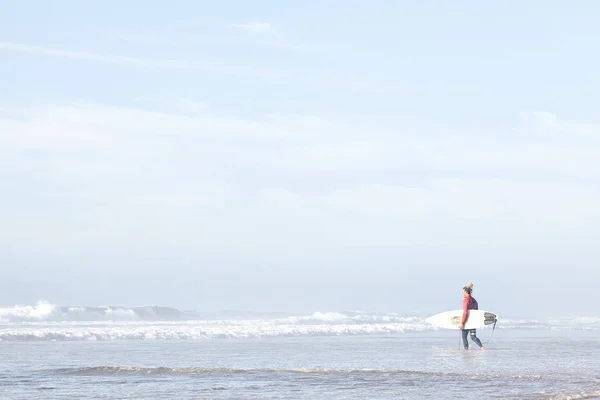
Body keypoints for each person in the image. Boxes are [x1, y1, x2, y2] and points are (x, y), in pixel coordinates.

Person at [458, 282, 484, 350]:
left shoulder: (465, 300)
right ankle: (482, 347)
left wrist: (462, 323)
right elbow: (476, 312)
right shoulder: (474, 301)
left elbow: (465, 312)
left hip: (467, 322)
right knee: (473, 337)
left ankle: (466, 351)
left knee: (464, 337)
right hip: (473, 322)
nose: (462, 293)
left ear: (466, 292)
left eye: (463, 292)